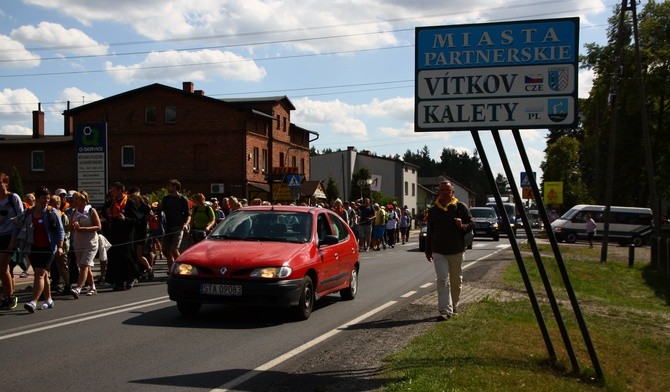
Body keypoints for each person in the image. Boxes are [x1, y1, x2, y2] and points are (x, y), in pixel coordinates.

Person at [424, 181, 475, 321]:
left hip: (457, 250)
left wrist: (462, 225)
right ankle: (445, 310)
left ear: (452, 192)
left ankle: (455, 305)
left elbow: (472, 223)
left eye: (448, 190)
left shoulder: (460, 207)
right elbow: (430, 231)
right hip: (439, 251)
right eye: (442, 190)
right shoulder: (434, 210)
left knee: (456, 281)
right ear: (438, 192)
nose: (445, 192)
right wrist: (428, 250)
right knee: (442, 279)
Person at [10, 186, 65, 312]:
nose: (46, 200)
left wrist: (60, 246)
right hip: (33, 248)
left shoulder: (52, 212)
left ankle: (33, 301)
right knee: (43, 275)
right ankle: (49, 300)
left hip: (48, 248)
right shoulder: (29, 212)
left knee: (39, 274)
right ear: (37, 198)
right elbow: (18, 226)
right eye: (43, 198)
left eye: (48, 198)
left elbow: (60, 230)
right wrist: (13, 242)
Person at [103, 182, 140, 291]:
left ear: (120, 190)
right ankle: (118, 281)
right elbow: (104, 214)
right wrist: (107, 213)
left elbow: (136, 220)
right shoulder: (110, 203)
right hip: (114, 234)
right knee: (115, 257)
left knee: (126, 257)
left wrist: (125, 219)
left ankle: (130, 278)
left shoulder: (130, 202)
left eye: (114, 190)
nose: (112, 192)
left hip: (126, 235)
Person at [69, 191, 100, 297]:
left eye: (76, 199)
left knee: (84, 265)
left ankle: (78, 288)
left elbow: (98, 226)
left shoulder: (91, 210)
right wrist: (74, 225)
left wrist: (84, 228)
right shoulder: (74, 212)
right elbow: (69, 227)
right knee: (86, 267)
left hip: (90, 242)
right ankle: (93, 287)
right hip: (78, 242)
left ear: (83, 200)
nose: (74, 201)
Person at [0, 172, 24, 310]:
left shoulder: (13, 198)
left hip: (10, 236)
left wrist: (13, 241)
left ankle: (10, 296)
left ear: (5, 183)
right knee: (4, 269)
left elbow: (21, 219)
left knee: (3, 267)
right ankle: (5, 296)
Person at [160, 179, 191, 271]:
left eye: (170, 186)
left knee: (174, 249)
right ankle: (172, 271)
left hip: (178, 227)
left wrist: (186, 224)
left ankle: (184, 269)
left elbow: (188, 214)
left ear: (175, 187)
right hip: (167, 228)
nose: (168, 188)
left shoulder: (182, 199)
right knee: (166, 251)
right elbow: (162, 212)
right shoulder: (166, 198)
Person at [128, 187, 154, 280]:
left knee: (139, 256)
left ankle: (149, 269)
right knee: (133, 255)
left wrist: (151, 217)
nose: (134, 199)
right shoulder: (132, 207)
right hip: (133, 232)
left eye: (136, 197)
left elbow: (150, 218)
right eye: (132, 198)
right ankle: (138, 273)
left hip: (142, 232)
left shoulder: (145, 207)